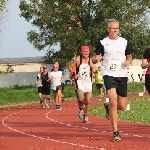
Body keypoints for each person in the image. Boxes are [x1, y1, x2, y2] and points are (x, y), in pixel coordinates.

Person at [93, 19, 132, 142]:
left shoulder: (124, 42)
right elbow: (94, 59)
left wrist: (128, 62)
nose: (115, 30)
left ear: (118, 29)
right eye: (112, 28)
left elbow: (129, 56)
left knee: (122, 106)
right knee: (114, 102)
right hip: (108, 74)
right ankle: (116, 132)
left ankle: (108, 108)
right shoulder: (102, 43)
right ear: (108, 29)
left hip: (122, 74)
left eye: (117, 28)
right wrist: (96, 59)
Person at [69, 45, 96, 123]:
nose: (86, 53)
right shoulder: (77, 59)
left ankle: (86, 115)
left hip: (88, 82)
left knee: (88, 101)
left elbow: (94, 68)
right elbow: (70, 67)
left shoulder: (90, 60)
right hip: (80, 82)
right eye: (84, 51)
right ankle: (81, 108)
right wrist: (74, 73)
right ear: (81, 52)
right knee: (81, 99)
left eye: (87, 51)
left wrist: (94, 70)